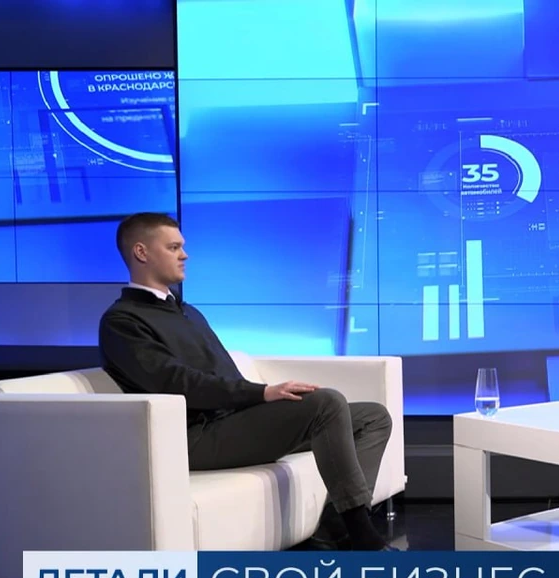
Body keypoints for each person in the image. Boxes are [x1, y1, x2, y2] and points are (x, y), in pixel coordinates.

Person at [97, 212, 395, 551]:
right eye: (174, 247)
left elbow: (221, 373)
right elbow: (178, 382)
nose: (185, 255)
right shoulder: (122, 322)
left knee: (372, 418)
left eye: (182, 246)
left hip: (230, 424)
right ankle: (363, 537)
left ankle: (332, 533)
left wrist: (262, 402)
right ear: (141, 252)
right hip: (195, 437)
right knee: (325, 403)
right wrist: (262, 393)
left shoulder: (187, 312)